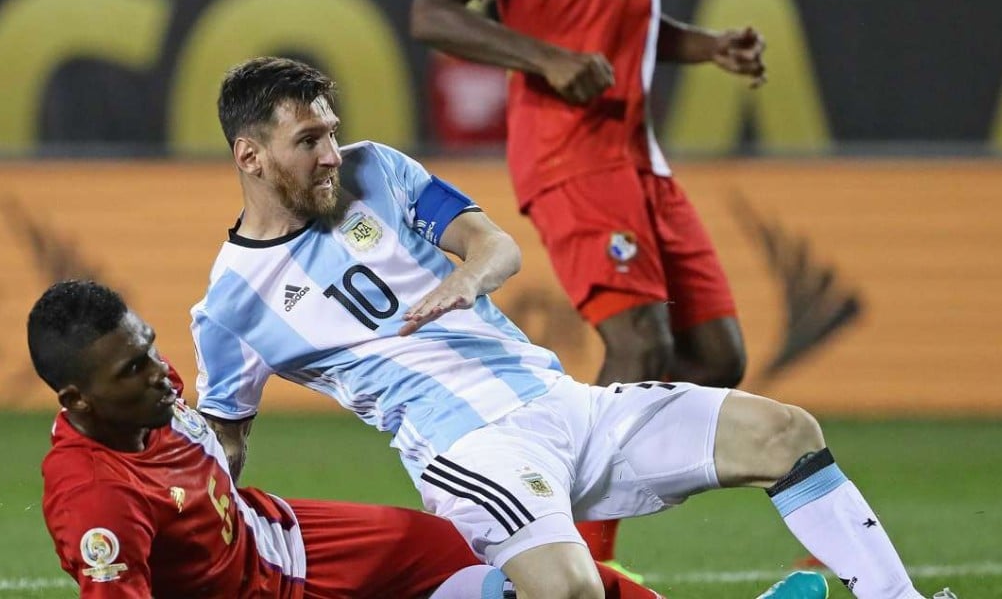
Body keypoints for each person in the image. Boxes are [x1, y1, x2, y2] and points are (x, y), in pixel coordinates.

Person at [192, 56, 940, 599]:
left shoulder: (376, 170)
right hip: (471, 451)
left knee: (785, 433)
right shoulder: (230, 305)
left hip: (566, 404)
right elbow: (227, 441)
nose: (330, 154)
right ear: (249, 156)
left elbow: (497, 244)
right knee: (570, 592)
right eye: (308, 141)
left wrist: (466, 279)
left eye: (330, 131)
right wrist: (206, 557)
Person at [408, 0, 765, 566]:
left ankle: (528, 486)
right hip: (569, 151)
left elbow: (622, 23)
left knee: (716, 357)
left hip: (638, 155)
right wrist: (546, 56)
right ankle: (579, 569)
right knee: (639, 344)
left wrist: (707, 45)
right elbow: (432, 13)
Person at [30, 279, 667, 599]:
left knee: (471, 552)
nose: (158, 375)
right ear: (76, 401)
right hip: (271, 587)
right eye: (131, 371)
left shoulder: (148, 397)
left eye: (148, 349)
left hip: (291, 536)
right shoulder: (96, 502)